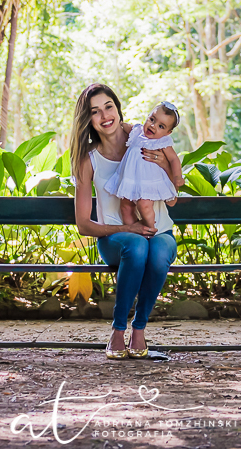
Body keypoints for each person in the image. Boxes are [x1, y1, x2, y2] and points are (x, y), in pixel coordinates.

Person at [70, 83, 183, 359]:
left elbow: (174, 188)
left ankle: (139, 329)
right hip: (114, 238)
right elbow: (84, 224)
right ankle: (118, 329)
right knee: (136, 245)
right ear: (88, 119)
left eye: (108, 106)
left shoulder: (143, 135)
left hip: (160, 230)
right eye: (95, 111)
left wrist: (165, 165)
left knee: (156, 252)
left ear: (118, 108)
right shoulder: (88, 159)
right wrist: (127, 227)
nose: (105, 115)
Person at [103, 101, 184, 231]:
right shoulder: (137, 131)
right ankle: (134, 231)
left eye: (161, 126)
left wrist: (177, 176)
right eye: (152, 119)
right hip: (130, 179)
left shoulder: (162, 142)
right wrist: (115, 121)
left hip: (147, 182)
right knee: (125, 206)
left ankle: (150, 229)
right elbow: (122, 125)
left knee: (144, 205)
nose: (153, 126)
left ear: (168, 132)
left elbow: (174, 159)